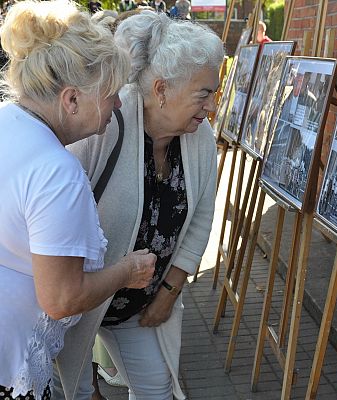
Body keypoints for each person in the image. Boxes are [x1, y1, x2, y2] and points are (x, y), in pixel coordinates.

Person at [55, 10, 224, 400]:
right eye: (204, 93)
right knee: (74, 393)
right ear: (162, 89)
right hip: (78, 304)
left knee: (158, 390)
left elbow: (201, 217)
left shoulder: (199, 137)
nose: (212, 106)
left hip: (138, 307)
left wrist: (168, 292)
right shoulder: (106, 121)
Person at [0, 1, 156, 399]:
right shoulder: (57, 171)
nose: (118, 106)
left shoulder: (7, 122)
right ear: (71, 100)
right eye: (110, 96)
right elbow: (62, 298)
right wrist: (127, 271)